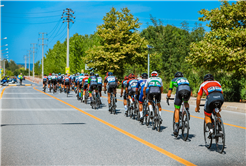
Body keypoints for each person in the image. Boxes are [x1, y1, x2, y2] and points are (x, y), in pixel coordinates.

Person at [167, 72, 191, 136]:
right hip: (188, 91)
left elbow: (169, 92)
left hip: (179, 92)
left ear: (175, 77)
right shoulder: (186, 79)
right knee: (186, 102)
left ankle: (177, 126)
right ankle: (187, 110)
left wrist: (168, 97)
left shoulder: (173, 80)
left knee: (177, 109)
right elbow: (190, 91)